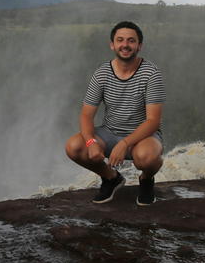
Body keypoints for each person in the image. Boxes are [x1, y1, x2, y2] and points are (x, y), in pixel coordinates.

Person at [65, 21, 165, 206]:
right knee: (74, 146)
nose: (125, 45)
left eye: (131, 41)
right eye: (120, 40)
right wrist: (91, 142)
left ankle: (146, 179)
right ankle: (111, 178)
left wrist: (125, 143)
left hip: (143, 136)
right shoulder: (102, 73)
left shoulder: (151, 73)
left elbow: (153, 121)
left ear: (139, 46)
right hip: (109, 133)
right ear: (112, 44)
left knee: (147, 158)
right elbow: (86, 115)